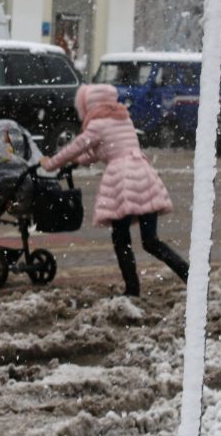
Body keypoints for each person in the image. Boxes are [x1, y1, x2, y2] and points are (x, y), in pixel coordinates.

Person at [39, 83, 189, 297]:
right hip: (144, 175)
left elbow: (76, 147)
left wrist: (50, 164)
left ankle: (132, 289)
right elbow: (98, 151)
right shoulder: (123, 118)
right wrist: (78, 162)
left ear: (87, 105)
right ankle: (188, 274)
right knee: (151, 241)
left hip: (123, 181)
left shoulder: (97, 125)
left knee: (121, 238)